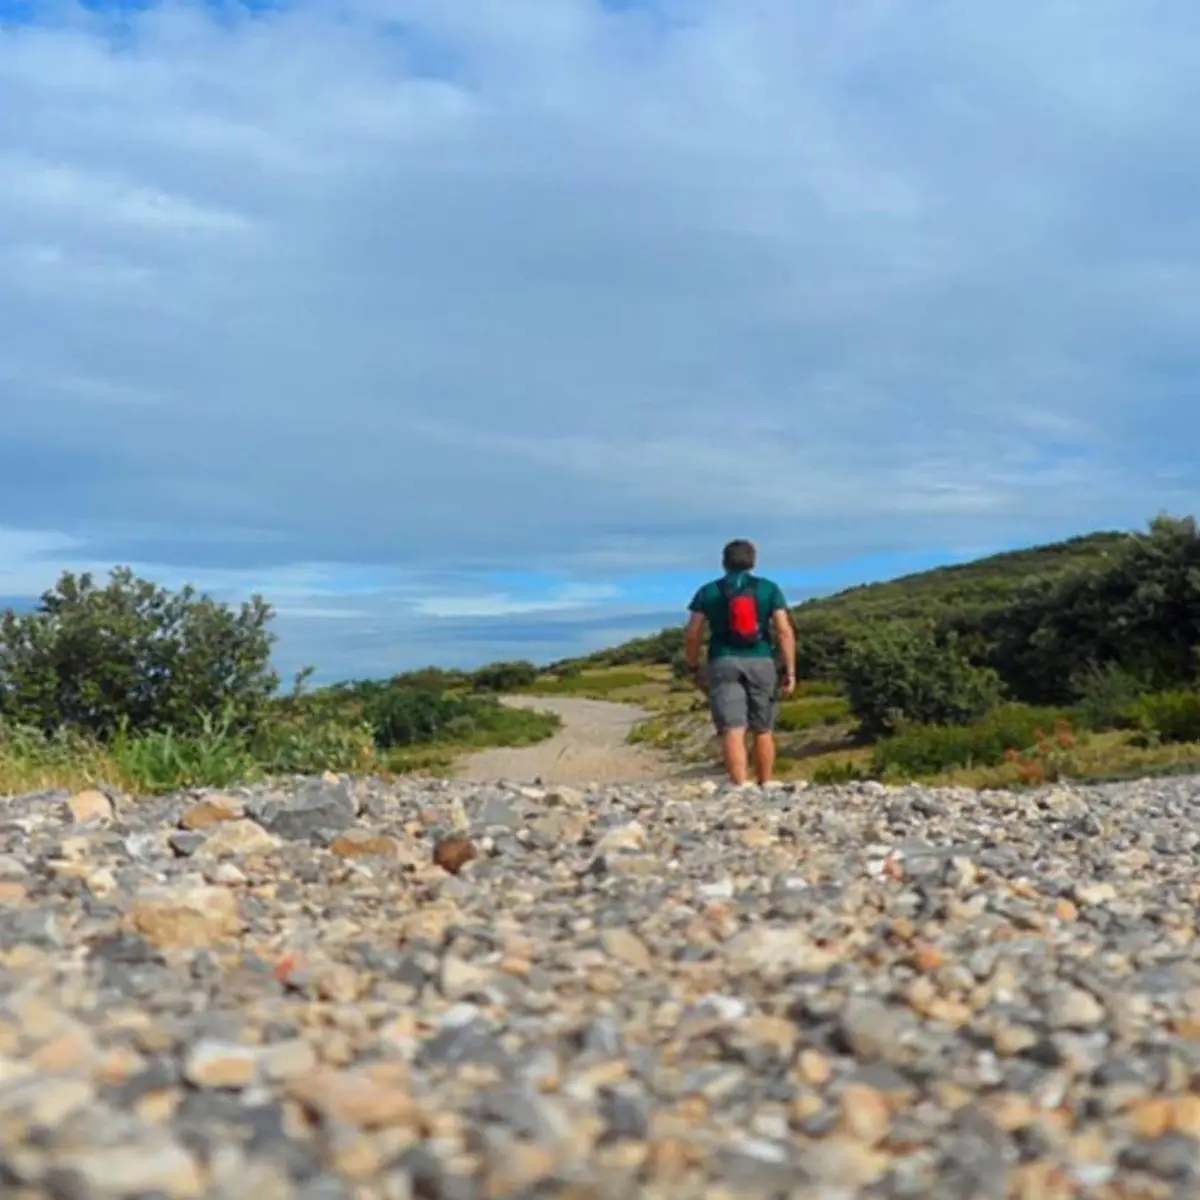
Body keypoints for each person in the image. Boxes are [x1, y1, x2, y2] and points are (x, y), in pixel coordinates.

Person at [683, 539, 796, 787]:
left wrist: (692, 666)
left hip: (723, 661)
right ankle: (765, 783)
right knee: (763, 728)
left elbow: (693, 633)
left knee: (733, 727)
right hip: (762, 660)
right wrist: (790, 670)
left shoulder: (708, 591)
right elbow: (784, 631)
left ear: (724, 562)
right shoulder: (769, 589)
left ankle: (739, 786)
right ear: (753, 560)